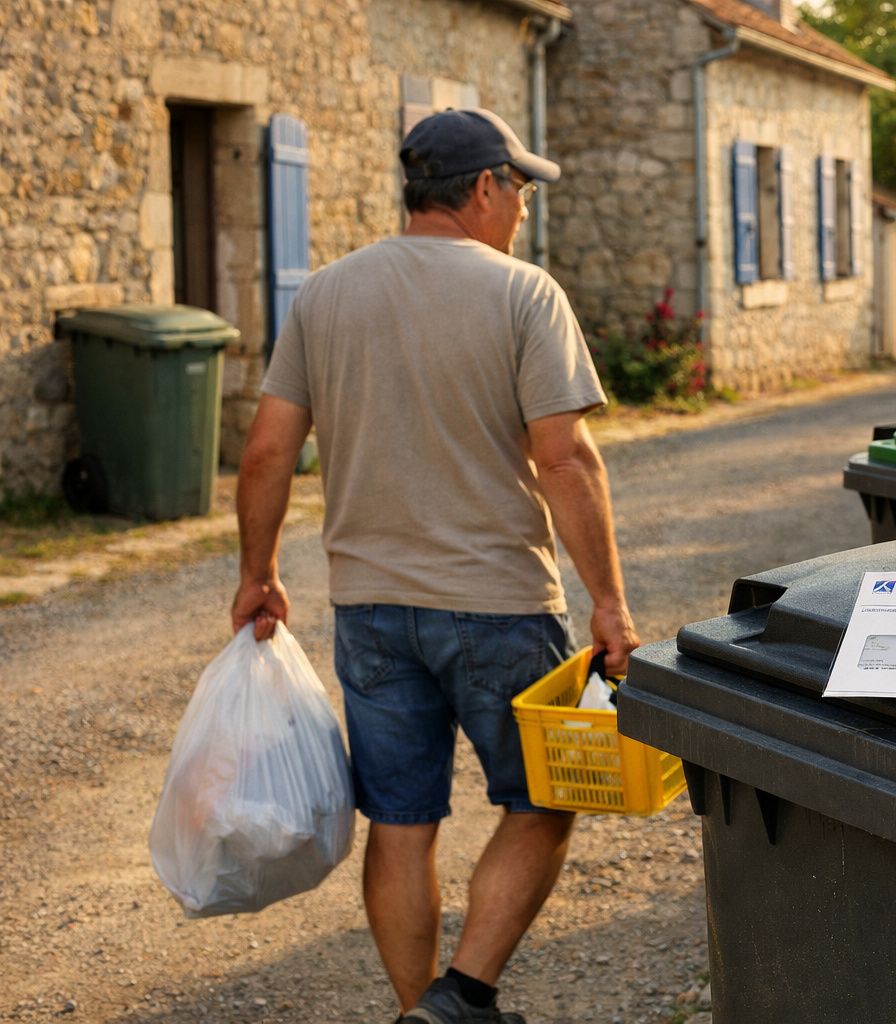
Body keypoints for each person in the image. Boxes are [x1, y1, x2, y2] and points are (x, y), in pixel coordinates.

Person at [232, 107, 640, 1024]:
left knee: (402, 824)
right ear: (485, 188)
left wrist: (256, 573)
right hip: (498, 603)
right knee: (543, 801)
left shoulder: (326, 293)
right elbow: (564, 458)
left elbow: (264, 452)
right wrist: (608, 601)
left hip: (370, 608)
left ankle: (424, 1007)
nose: (525, 209)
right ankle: (463, 997)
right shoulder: (525, 294)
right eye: (522, 190)